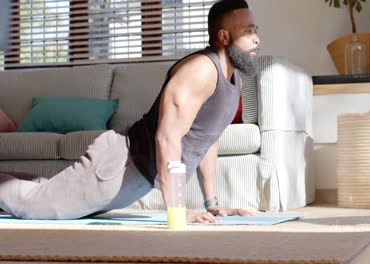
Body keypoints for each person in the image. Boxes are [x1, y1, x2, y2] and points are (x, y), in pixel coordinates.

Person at [0, 0, 260, 223]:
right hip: (119, 165)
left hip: (133, 176)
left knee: (46, 193)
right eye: (248, 32)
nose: (256, 38)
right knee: (33, 206)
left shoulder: (232, 78)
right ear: (224, 36)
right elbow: (166, 138)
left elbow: (208, 139)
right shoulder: (200, 70)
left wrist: (211, 202)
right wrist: (177, 212)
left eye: (255, 31)